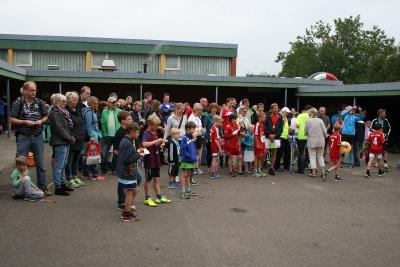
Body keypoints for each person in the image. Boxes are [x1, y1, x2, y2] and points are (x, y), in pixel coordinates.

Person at [10, 81, 50, 196]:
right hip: (23, 137)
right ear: (25, 90)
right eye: (32, 90)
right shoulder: (18, 102)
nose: (34, 92)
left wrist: (41, 121)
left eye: (35, 90)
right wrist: (25, 122)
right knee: (21, 164)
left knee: (41, 164)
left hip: (37, 136)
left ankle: (43, 187)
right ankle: (20, 189)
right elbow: (11, 119)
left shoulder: (40, 102)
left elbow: (46, 116)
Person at [48, 93, 76, 196]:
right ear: (56, 102)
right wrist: (70, 137)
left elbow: (68, 127)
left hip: (65, 141)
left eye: (65, 101)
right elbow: (59, 128)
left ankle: (62, 183)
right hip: (60, 141)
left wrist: (70, 137)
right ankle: (58, 186)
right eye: (63, 101)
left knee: (63, 164)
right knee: (59, 165)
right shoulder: (55, 112)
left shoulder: (63, 111)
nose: (65, 103)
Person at [117, 122, 144, 222]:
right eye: (137, 133)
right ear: (132, 132)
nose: (138, 135)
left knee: (134, 190)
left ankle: (127, 210)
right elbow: (126, 159)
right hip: (127, 171)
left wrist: (137, 152)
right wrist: (139, 154)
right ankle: (126, 214)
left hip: (127, 171)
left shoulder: (126, 140)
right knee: (131, 191)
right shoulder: (127, 143)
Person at [142, 114, 171, 207]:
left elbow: (154, 144)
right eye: (155, 126)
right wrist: (156, 141)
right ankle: (147, 198)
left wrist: (160, 144)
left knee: (157, 179)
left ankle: (159, 197)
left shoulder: (155, 133)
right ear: (149, 124)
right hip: (149, 160)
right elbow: (144, 144)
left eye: (157, 125)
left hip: (156, 158)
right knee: (148, 179)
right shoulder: (146, 133)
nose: (156, 127)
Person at [114, 111, 135, 210]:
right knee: (125, 183)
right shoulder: (120, 134)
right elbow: (116, 150)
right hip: (126, 165)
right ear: (123, 121)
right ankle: (123, 203)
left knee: (133, 182)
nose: (132, 120)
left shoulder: (129, 135)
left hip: (131, 164)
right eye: (129, 119)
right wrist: (140, 153)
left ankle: (127, 200)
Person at [65, 92, 85, 188]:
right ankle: (69, 178)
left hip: (80, 139)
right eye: (74, 99)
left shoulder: (77, 110)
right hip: (72, 139)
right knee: (69, 160)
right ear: (68, 100)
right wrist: (72, 136)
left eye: (77, 99)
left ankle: (74, 176)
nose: (76, 101)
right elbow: (67, 127)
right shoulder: (66, 111)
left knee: (76, 160)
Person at [82, 96, 104, 181]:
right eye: (94, 103)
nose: (96, 105)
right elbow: (88, 125)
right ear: (90, 103)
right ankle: (92, 174)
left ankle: (88, 173)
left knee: (90, 155)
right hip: (92, 136)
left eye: (96, 103)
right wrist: (91, 136)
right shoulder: (88, 112)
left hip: (94, 135)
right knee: (92, 155)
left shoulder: (91, 111)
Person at [100, 96, 122, 174]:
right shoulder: (104, 112)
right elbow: (103, 125)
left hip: (117, 136)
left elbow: (122, 122)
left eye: (115, 102)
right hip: (108, 136)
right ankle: (103, 168)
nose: (114, 104)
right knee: (104, 153)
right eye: (112, 102)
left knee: (116, 153)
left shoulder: (119, 111)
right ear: (108, 103)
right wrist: (105, 134)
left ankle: (114, 169)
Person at [304, 108, 328, 178]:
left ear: (310, 113)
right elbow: (325, 131)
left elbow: (305, 132)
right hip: (321, 141)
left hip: (311, 141)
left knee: (312, 156)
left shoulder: (308, 121)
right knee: (320, 156)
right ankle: (323, 172)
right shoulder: (320, 120)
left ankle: (313, 172)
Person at [179, 121, 197, 199]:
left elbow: (192, 149)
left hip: (191, 160)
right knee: (184, 176)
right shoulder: (184, 138)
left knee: (189, 175)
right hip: (186, 160)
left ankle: (188, 190)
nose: (194, 130)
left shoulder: (191, 138)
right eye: (192, 129)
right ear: (187, 129)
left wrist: (193, 157)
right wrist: (189, 156)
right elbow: (182, 150)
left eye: (194, 129)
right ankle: (182, 192)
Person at [265, 103, 283, 176]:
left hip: (276, 138)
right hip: (267, 137)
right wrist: (269, 135)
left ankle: (271, 168)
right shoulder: (267, 116)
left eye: (277, 108)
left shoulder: (280, 117)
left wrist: (275, 135)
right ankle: (259, 168)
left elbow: (281, 129)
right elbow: (265, 126)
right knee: (264, 152)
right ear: (271, 109)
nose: (276, 109)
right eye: (275, 108)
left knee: (274, 153)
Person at [188, 103, 205, 177]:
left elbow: (200, 126)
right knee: (193, 152)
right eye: (200, 110)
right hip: (193, 137)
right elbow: (190, 128)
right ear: (196, 110)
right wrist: (198, 130)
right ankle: (192, 168)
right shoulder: (191, 117)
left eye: (201, 110)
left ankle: (196, 167)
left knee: (198, 152)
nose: (201, 112)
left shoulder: (198, 117)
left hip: (199, 136)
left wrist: (202, 130)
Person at [296, 105, 311, 174]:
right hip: (309, 136)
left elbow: (297, 125)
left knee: (301, 153)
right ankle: (306, 166)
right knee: (308, 152)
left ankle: (300, 169)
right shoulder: (311, 116)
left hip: (301, 136)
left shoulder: (300, 115)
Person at [204, 103, 220, 171]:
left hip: (217, 137)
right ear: (210, 109)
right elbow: (205, 127)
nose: (214, 110)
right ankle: (209, 166)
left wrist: (221, 137)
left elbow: (220, 128)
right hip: (209, 137)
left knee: (216, 153)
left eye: (215, 108)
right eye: (212, 108)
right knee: (210, 152)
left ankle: (214, 167)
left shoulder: (218, 116)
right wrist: (207, 137)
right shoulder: (207, 116)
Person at [275, 107, 291, 172]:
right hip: (280, 137)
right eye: (286, 112)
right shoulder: (279, 117)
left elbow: (286, 127)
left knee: (287, 152)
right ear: (283, 111)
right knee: (279, 153)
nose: (287, 113)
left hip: (286, 137)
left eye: (287, 112)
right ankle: (277, 167)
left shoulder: (286, 118)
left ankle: (286, 166)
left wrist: (289, 129)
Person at [254, 113, 267, 177]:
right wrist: (257, 144)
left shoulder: (262, 124)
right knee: (257, 157)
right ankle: (255, 171)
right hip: (258, 143)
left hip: (262, 142)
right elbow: (255, 135)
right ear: (259, 118)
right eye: (263, 117)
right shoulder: (257, 124)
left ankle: (259, 170)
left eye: (265, 117)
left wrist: (264, 143)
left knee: (261, 157)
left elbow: (263, 135)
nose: (264, 118)